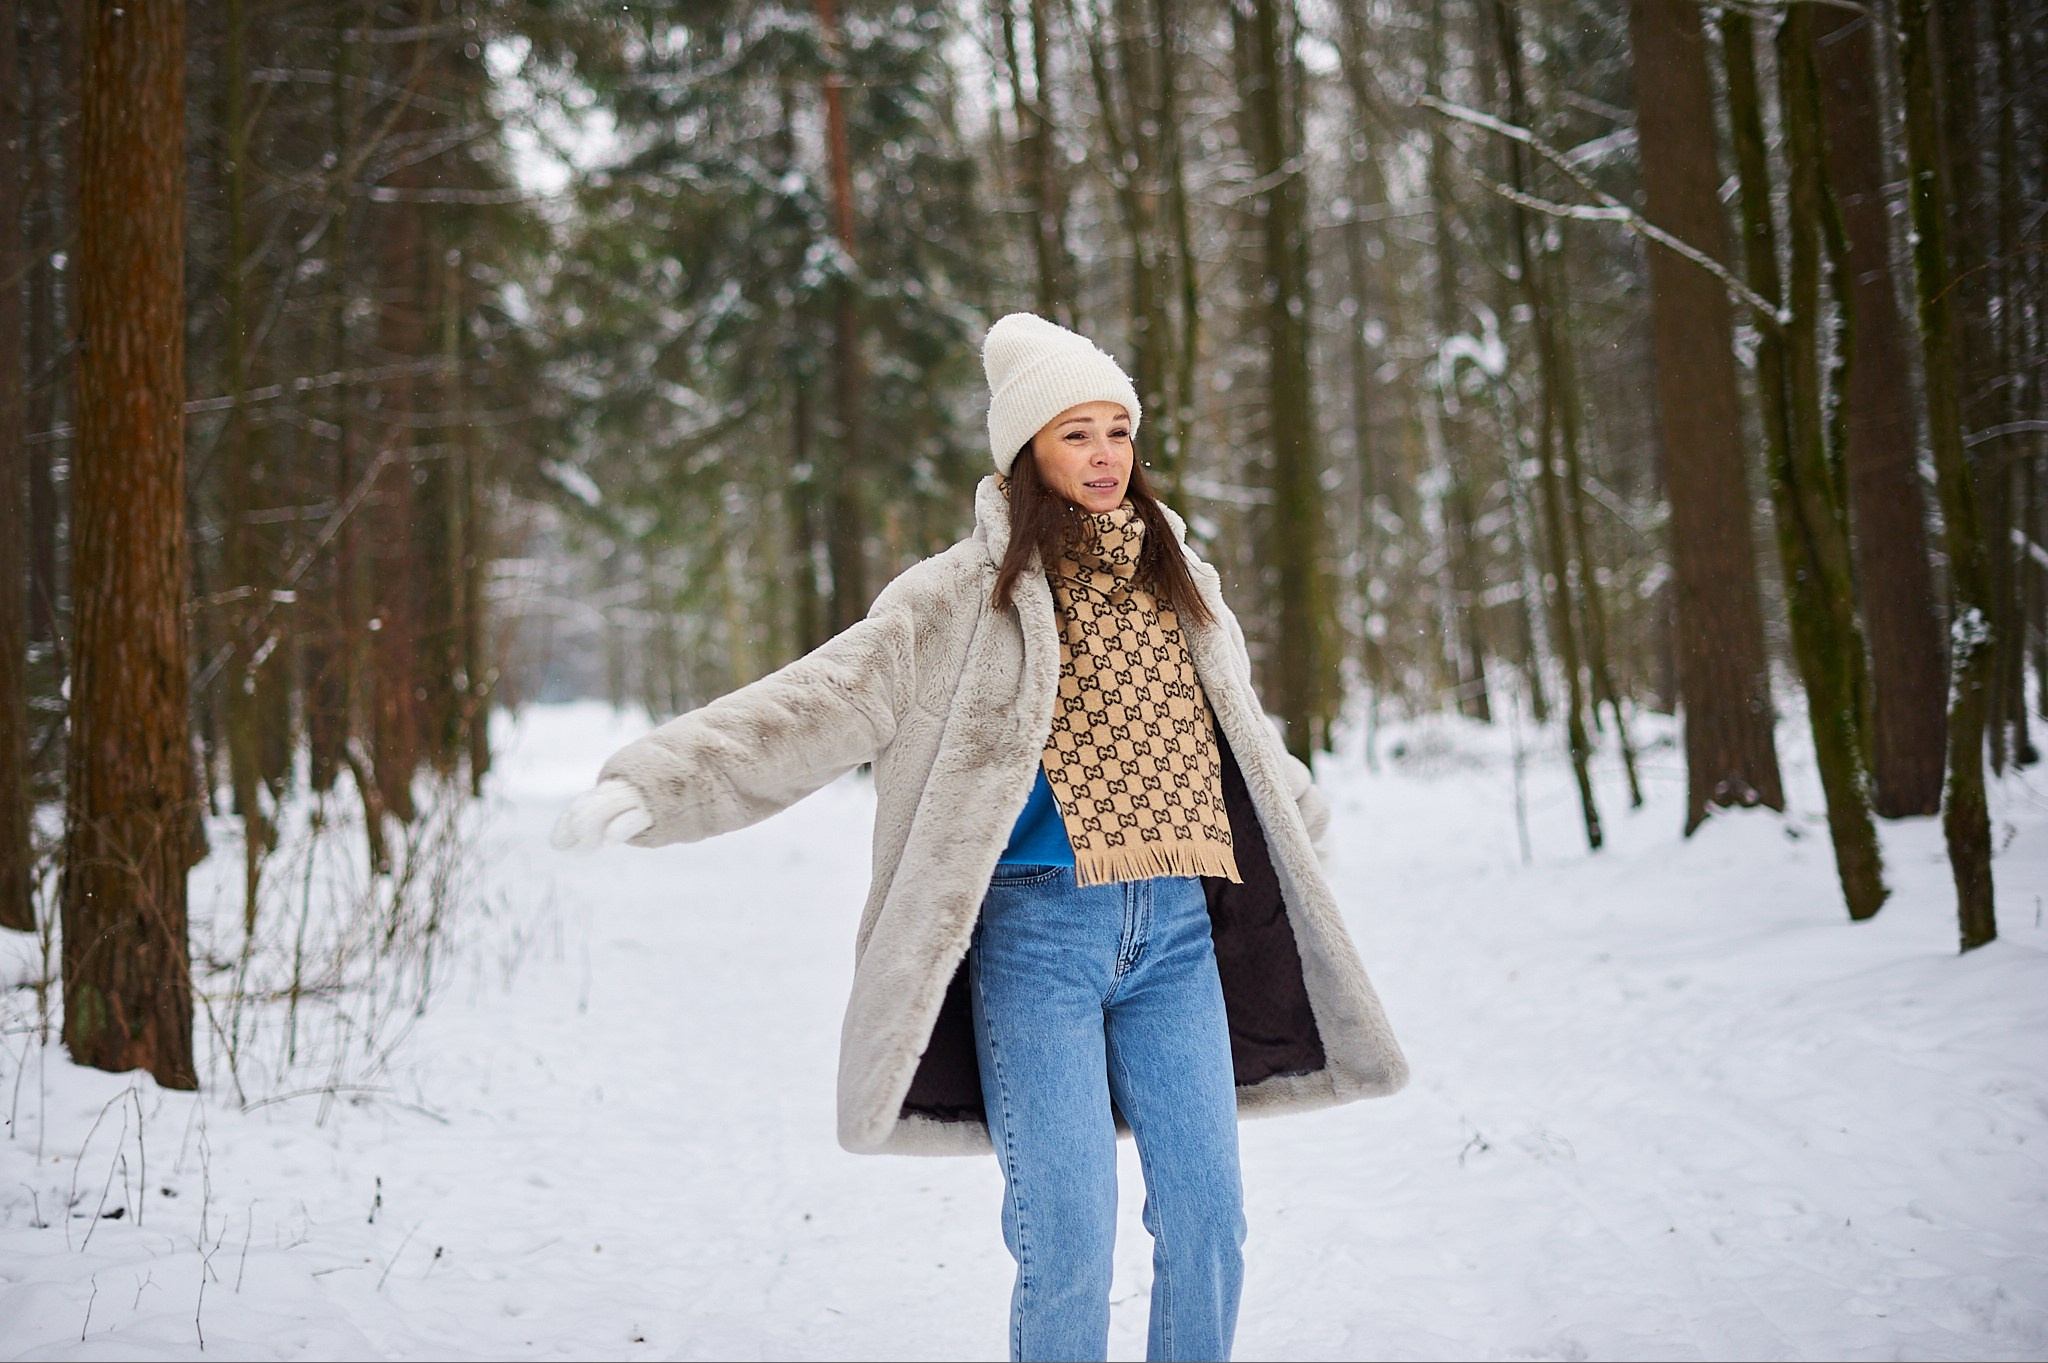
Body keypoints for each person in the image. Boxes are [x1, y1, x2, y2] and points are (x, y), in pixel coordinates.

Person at [552, 313, 1407, 1362]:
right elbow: (820, 699)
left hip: (1178, 930)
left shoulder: (1179, 575)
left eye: (1118, 431)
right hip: (1038, 937)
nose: (1104, 455)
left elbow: (1237, 727)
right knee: (1068, 1241)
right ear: (1025, 453)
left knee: (1209, 1221)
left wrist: (1300, 821)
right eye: (1075, 434)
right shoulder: (956, 597)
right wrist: (661, 781)